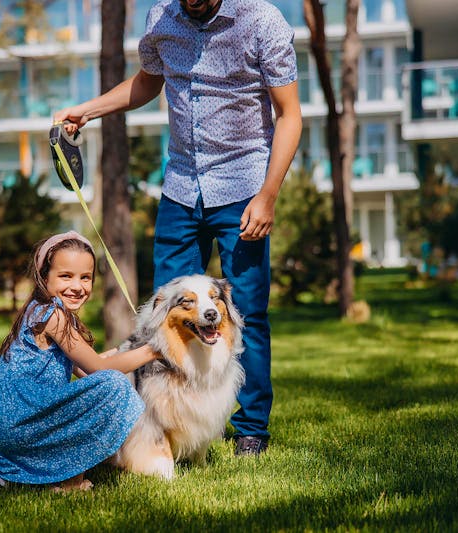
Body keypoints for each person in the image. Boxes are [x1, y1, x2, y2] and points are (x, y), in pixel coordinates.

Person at [54, 0, 302, 456]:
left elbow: (289, 114)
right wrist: (88, 110)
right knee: (163, 312)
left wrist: (268, 195)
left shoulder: (262, 20)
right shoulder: (161, 18)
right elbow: (149, 80)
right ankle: (164, 423)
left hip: (244, 187)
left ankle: (250, 430)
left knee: (245, 313)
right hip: (182, 187)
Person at [0, 231, 157, 492]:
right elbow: (100, 370)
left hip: (11, 429)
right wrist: (155, 350)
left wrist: (126, 350)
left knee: (107, 385)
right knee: (115, 386)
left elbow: (90, 368)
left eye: (85, 277)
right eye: (66, 276)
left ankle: (24, 472)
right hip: (20, 428)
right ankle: (69, 481)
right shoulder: (53, 316)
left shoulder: (38, 309)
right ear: (44, 277)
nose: (77, 286)